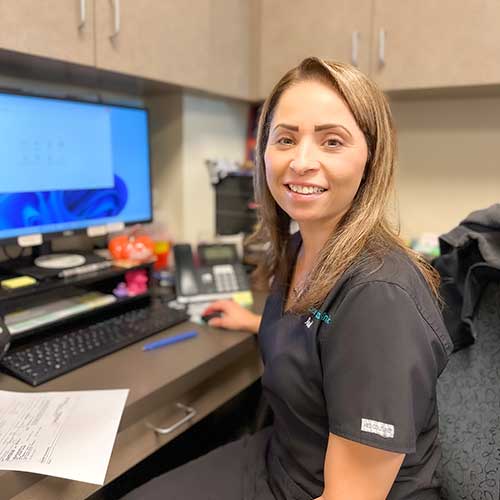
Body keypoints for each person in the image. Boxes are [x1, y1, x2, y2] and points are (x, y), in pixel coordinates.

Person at [123, 57, 453, 500]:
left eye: (331, 141)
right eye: (285, 139)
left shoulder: (378, 298)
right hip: (283, 460)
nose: (300, 161)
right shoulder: (302, 246)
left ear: (370, 158)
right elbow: (322, 341)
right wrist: (254, 322)